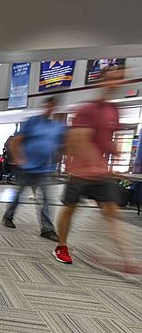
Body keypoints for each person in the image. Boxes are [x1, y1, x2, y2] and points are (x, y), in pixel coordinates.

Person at [54, 66, 138, 272]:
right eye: (111, 79)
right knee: (70, 210)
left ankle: (127, 258)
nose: (115, 83)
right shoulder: (87, 110)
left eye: (119, 79)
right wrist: (94, 164)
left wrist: (115, 152)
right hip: (79, 173)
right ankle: (61, 246)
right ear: (101, 81)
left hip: (100, 173)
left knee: (112, 210)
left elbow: (106, 141)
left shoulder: (114, 110)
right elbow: (79, 140)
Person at [2, 96, 65, 241]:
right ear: (45, 106)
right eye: (49, 105)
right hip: (27, 167)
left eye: (53, 106)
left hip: (45, 170)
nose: (50, 108)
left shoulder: (56, 126)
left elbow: (60, 145)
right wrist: (18, 157)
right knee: (18, 195)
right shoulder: (33, 122)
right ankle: (8, 216)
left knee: (47, 199)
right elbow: (15, 141)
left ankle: (47, 229)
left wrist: (58, 161)